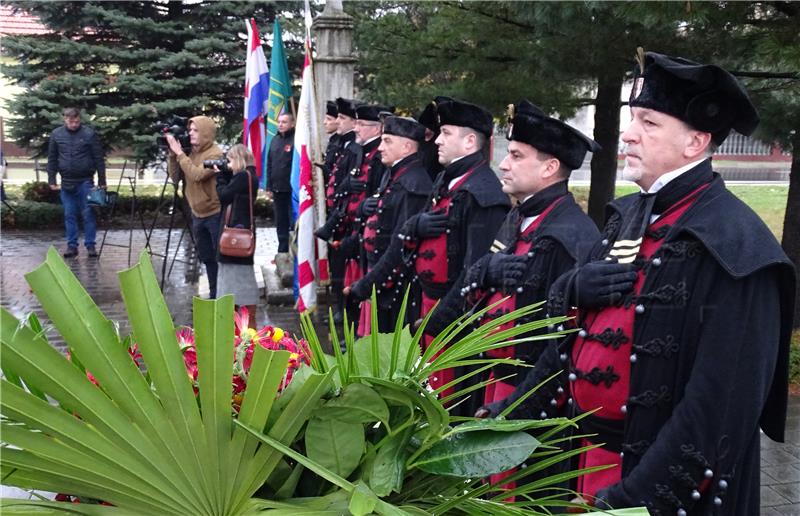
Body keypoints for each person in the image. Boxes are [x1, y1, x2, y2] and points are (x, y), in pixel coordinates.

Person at [482, 51, 796, 515]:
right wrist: (508, 417)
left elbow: (718, 409)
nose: (628, 134)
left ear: (696, 142)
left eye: (648, 123)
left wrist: (632, 500)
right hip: (592, 463)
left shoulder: (737, 246)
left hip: (658, 484)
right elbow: (570, 345)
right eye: (633, 119)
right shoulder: (628, 217)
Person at [401, 97, 510, 405]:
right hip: (429, 307)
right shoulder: (448, 181)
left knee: (448, 404)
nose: (437, 140)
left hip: (451, 321)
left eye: (446, 133)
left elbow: (474, 274)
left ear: (470, 141)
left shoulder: (483, 194)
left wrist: (437, 321)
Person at [346, 115, 433, 334]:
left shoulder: (413, 184)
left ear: (406, 147)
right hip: (380, 279)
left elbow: (401, 245)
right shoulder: (395, 175)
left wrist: (367, 285)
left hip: (395, 288)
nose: (381, 147)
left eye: (387, 141)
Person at [166, 116, 224, 299]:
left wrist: (181, 154)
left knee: (218, 258)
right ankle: (215, 292)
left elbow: (197, 175)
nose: (190, 133)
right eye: (190, 130)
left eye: (195, 130)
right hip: (197, 214)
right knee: (206, 256)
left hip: (214, 213)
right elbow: (176, 178)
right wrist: (172, 155)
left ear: (205, 133)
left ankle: (220, 294)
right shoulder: (191, 153)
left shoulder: (215, 154)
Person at [318, 97, 360, 324]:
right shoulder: (342, 144)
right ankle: (339, 307)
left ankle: (345, 312)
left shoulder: (354, 149)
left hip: (346, 218)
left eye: (342, 118)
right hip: (336, 213)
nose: (336, 122)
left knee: (344, 267)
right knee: (336, 266)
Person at [47, 107, 106, 258]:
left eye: (77, 121)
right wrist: (52, 179)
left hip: (85, 181)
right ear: (65, 119)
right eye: (71, 121)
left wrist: (102, 180)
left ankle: (90, 245)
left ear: (80, 119)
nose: (74, 124)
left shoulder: (89, 134)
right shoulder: (56, 135)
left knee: (88, 214)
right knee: (69, 215)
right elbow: (52, 159)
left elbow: (98, 158)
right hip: (66, 182)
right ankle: (72, 246)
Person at [215, 144, 260, 329]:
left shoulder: (242, 176)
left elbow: (224, 196)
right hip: (243, 232)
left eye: (230, 160)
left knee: (233, 282)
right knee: (241, 279)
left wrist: (219, 176)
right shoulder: (251, 176)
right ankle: (244, 321)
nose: (229, 164)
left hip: (234, 236)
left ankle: (239, 325)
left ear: (239, 159)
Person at [266, 112, 295, 254]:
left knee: (292, 222)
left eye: (284, 122)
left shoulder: (295, 140)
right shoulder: (275, 140)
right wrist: (268, 186)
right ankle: (282, 251)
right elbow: (269, 164)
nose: (280, 125)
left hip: (291, 190)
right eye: (279, 122)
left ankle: (293, 252)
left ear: (292, 124)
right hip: (277, 188)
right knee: (280, 222)